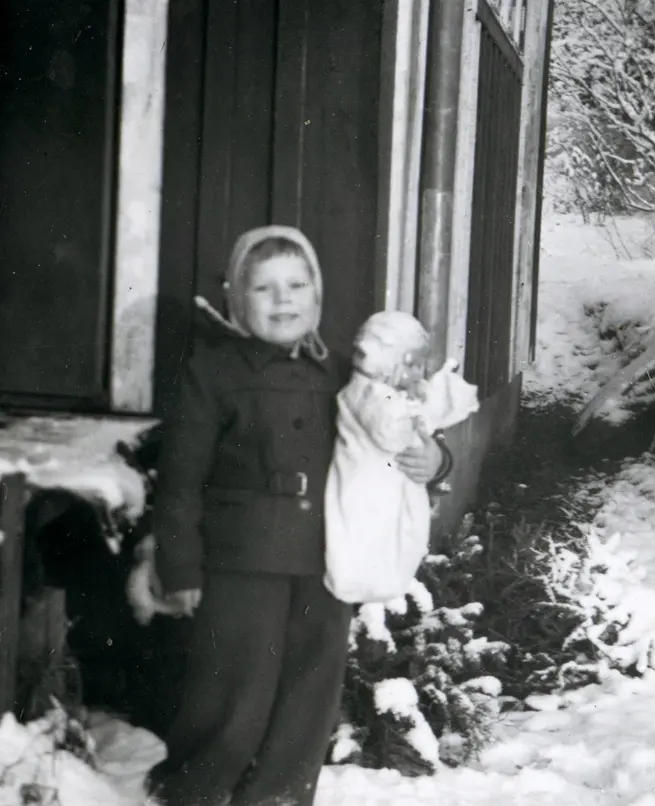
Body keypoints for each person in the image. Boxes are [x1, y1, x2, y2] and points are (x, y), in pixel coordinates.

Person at [144, 226, 451, 806]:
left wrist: (435, 458)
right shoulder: (212, 373)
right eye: (264, 288)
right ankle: (195, 794)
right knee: (231, 698)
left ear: (317, 295)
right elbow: (181, 481)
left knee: (307, 701)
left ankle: (280, 797)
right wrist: (179, 567)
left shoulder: (340, 371)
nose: (283, 299)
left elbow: (401, 426)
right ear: (237, 299)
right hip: (239, 565)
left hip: (323, 559)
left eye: (296, 284)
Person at [324, 311, 479, 604]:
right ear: (387, 363)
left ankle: (383, 579)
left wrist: (436, 456)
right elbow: (390, 432)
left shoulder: (384, 391)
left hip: (387, 481)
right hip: (364, 483)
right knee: (366, 533)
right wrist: (422, 411)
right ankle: (364, 581)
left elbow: (427, 447)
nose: (420, 374)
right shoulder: (368, 392)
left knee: (394, 532)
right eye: (414, 365)